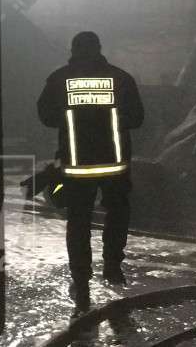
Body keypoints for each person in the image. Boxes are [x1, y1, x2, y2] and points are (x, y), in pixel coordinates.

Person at [37, 32, 144, 316]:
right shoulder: (121, 78)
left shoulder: (59, 79)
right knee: (118, 212)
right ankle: (112, 266)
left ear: (73, 50)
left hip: (77, 166)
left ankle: (81, 281)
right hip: (114, 165)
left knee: (79, 222)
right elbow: (137, 118)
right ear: (99, 49)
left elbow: (45, 117)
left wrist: (73, 116)